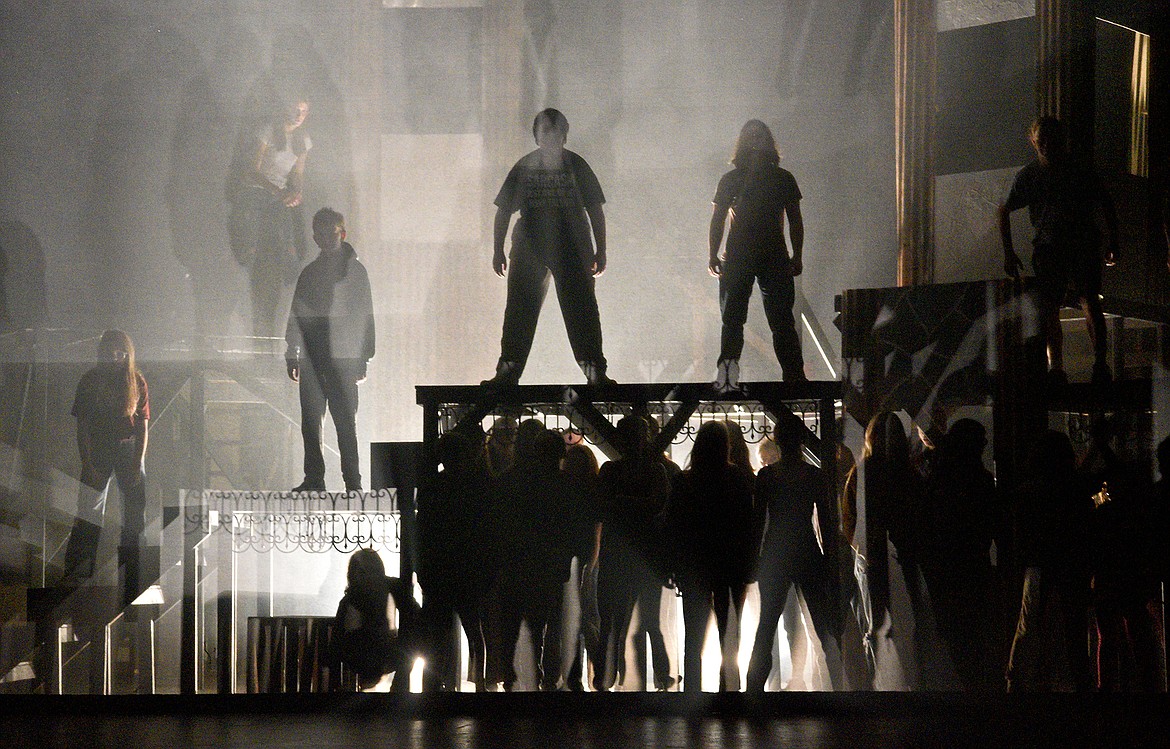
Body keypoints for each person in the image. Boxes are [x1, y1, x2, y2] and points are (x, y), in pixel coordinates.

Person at [483, 108, 613, 388]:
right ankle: (508, 372)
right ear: (537, 136)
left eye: (555, 132)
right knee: (520, 309)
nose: (551, 138)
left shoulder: (573, 166)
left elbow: (595, 209)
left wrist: (601, 250)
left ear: (564, 135)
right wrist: (497, 249)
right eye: (546, 132)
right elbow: (503, 211)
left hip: (568, 246)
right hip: (535, 245)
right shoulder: (534, 166)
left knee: (581, 309)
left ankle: (594, 371)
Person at [998, 116, 1120, 387]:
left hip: (1078, 243)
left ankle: (1096, 364)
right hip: (1052, 246)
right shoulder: (1031, 175)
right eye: (1041, 141)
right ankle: (1059, 369)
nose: (1045, 146)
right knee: (1053, 308)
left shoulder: (1075, 170)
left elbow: (1105, 202)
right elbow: (1003, 210)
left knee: (1087, 301)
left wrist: (1113, 241)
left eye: (1050, 141)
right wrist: (1008, 252)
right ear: (1033, 141)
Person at [708, 119, 807, 391]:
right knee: (750, 319)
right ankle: (791, 377)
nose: (754, 142)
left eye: (757, 137)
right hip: (756, 256)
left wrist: (797, 255)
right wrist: (713, 255)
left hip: (758, 256)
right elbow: (717, 219)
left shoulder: (774, 178)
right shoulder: (774, 178)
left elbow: (795, 220)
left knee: (771, 320)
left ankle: (787, 375)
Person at [746, 420, 843, 692]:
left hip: (775, 554)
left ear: (777, 441)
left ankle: (753, 691)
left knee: (766, 628)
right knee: (822, 628)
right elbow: (826, 522)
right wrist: (830, 559)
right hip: (807, 551)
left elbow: (758, 523)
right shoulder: (814, 475)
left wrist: (754, 559)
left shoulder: (767, 477)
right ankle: (838, 689)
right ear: (801, 441)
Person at [286, 208, 375, 492]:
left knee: (344, 422)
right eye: (321, 234)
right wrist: (292, 351)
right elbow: (297, 314)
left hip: (342, 357)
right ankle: (319, 479)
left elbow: (366, 315)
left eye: (330, 233)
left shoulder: (354, 273)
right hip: (319, 357)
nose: (325, 239)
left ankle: (351, 482)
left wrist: (364, 357)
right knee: (313, 422)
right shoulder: (314, 273)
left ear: (342, 234)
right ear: (315, 237)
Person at [62, 330, 149, 605]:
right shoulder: (90, 381)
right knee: (88, 513)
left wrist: (136, 462)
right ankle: (77, 578)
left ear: (126, 355)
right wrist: (87, 462)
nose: (114, 358)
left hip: (127, 448)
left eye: (119, 354)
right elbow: (83, 426)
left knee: (134, 518)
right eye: (110, 353)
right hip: (99, 448)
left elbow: (144, 427)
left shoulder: (136, 381)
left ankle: (132, 580)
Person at [667, 421, 755, 691]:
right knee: (730, 630)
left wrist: (674, 565)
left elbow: (675, 526)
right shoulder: (738, 478)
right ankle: (729, 686)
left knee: (693, 636)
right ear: (725, 447)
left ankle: (692, 689)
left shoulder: (685, 480)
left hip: (696, 565)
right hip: (731, 564)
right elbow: (748, 524)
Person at [595, 416, 673, 691]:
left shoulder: (609, 472)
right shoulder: (656, 472)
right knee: (651, 622)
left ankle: (603, 678)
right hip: (647, 556)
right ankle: (662, 678)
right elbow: (656, 507)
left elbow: (603, 507)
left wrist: (622, 502)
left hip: (616, 554)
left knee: (610, 623)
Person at [228, 96, 313, 344]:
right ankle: (245, 256)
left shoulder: (304, 141)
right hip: (256, 191)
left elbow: (298, 174)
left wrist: (296, 193)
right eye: (295, 109)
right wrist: (277, 192)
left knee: (288, 234)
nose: (298, 115)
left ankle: (288, 272)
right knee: (254, 237)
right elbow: (252, 170)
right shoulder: (268, 132)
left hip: (279, 196)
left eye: (304, 111)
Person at [333, 548, 417, 690]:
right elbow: (413, 611)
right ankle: (398, 694)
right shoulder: (390, 588)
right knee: (411, 651)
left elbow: (339, 637)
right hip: (382, 651)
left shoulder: (351, 597)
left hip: (359, 654)